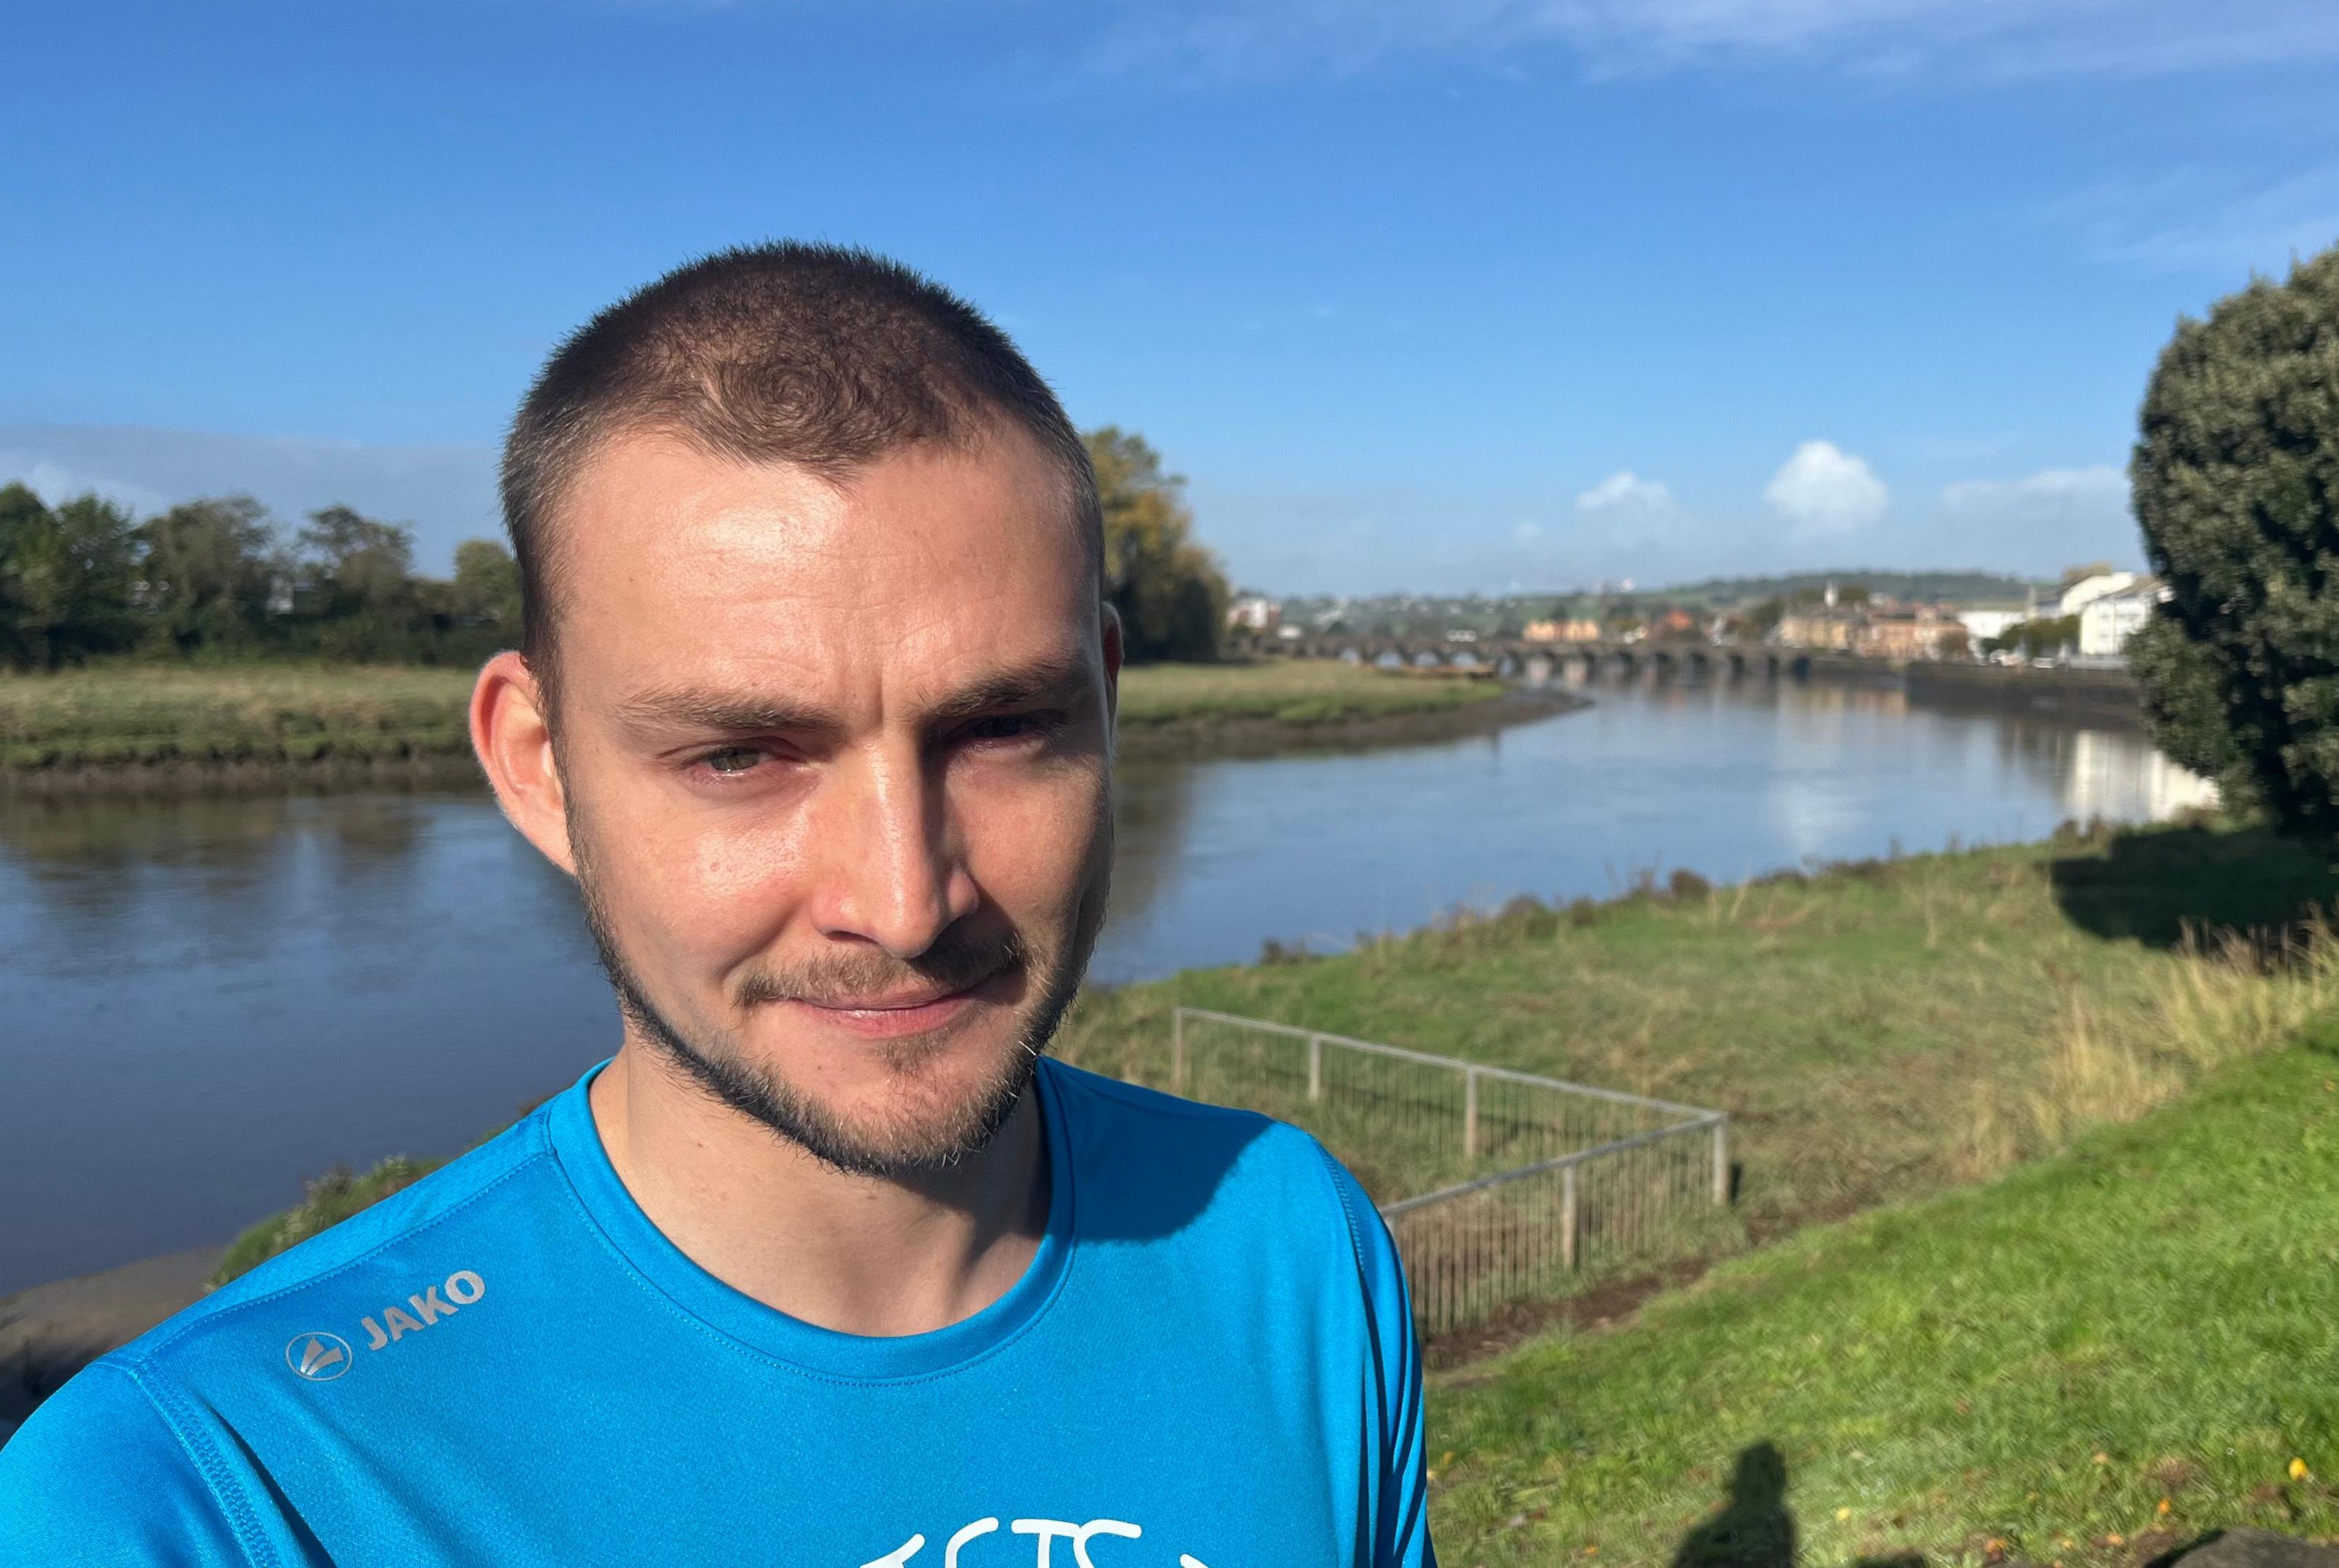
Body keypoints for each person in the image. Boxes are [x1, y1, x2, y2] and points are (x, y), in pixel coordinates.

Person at [0, 242, 1433, 1567]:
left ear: (1109, 714)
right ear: (540, 767)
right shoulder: (202, 1493)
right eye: (740, 755)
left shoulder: (1287, 1242)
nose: (903, 900)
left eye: (1001, 729)